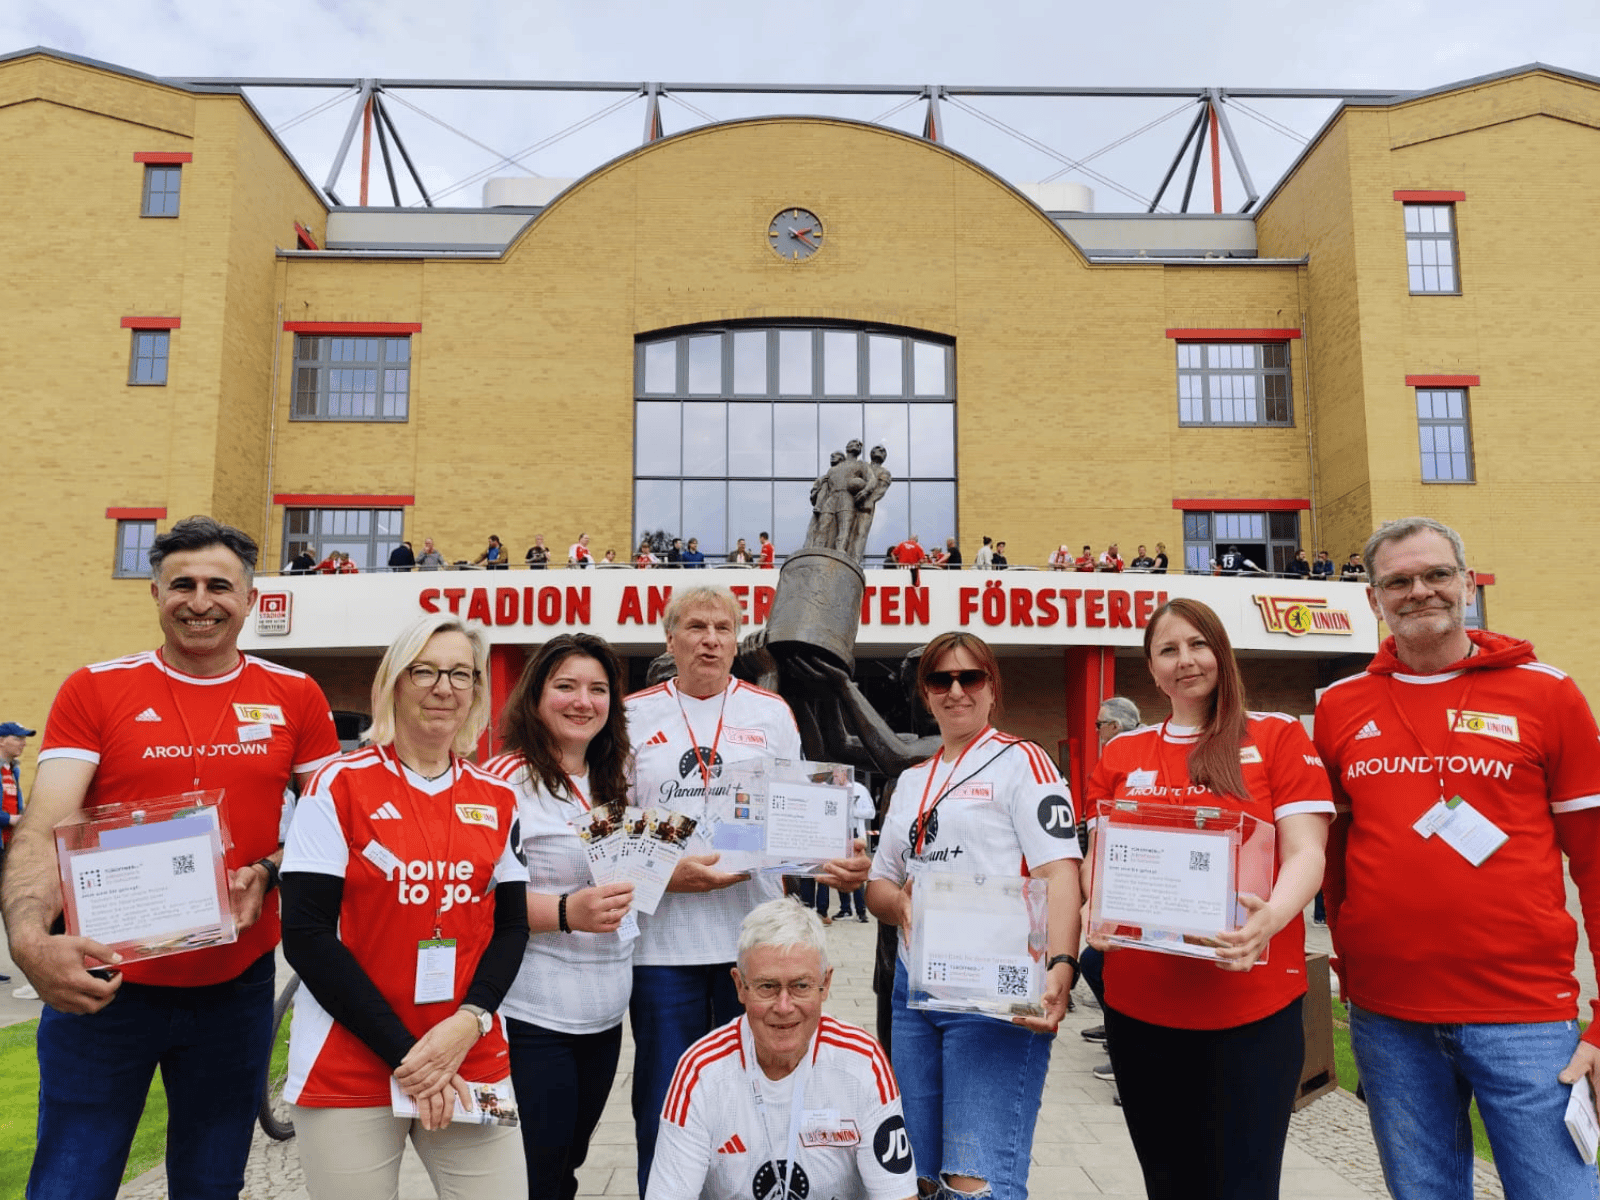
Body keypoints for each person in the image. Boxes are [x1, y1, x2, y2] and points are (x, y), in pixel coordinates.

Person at [1, 515, 342, 1200]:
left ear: (251, 599)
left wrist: (269, 871)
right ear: (156, 593)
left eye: (220, 585)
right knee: (70, 1183)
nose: (200, 601)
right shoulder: (94, 689)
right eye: (182, 584)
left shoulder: (296, 695)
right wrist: (29, 938)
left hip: (234, 990)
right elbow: (45, 824)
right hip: (102, 986)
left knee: (211, 1185)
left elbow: (332, 828)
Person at [1316, 516, 1600, 1200]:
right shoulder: (1341, 706)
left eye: (1437, 574)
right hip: (1388, 1018)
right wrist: (1350, 967)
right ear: (1373, 599)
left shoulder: (1547, 693)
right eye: (1398, 581)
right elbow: (1332, 858)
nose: (1420, 591)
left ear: (1468, 584)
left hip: (1526, 1015)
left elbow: (1595, 862)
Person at [625, 585, 871, 1195]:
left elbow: (796, 816)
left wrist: (833, 859)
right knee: (665, 1101)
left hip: (755, 946)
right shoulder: (631, 715)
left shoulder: (770, 713)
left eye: (724, 629)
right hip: (664, 950)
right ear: (670, 638)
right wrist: (668, 874)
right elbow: (613, 829)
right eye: (696, 627)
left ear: (738, 642)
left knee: (759, 1094)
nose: (710, 640)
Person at [1085, 598, 1332, 1200]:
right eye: (1168, 650)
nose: (1185, 660)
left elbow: (1307, 853)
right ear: (1152, 669)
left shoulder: (1276, 736)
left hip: (1251, 1010)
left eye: (1197, 644)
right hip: (1140, 1010)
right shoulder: (1122, 752)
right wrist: (1096, 904)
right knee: (1168, 1184)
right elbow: (1100, 857)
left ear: (1221, 651)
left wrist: (1271, 918)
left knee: (1243, 1187)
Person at [280, 611, 529, 1200]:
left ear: (476, 690)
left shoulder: (498, 796)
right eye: (425, 671)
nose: (444, 688)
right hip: (350, 1055)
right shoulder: (337, 783)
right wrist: (413, 1058)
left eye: (461, 674)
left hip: (467, 1051)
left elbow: (511, 928)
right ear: (394, 681)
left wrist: (467, 1024)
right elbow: (307, 936)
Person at [866, 631, 1082, 1200]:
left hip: (994, 989)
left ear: (992, 688)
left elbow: (1060, 871)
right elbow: (878, 885)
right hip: (916, 992)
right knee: (917, 1177)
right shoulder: (912, 781)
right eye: (941, 680)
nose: (956, 691)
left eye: (971, 677)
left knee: (973, 1181)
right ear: (926, 693)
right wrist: (901, 903)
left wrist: (1062, 963)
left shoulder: (1022, 761)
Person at [482, 634, 635, 1200]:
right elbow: (474, 896)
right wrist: (567, 911)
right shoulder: (503, 781)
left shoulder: (612, 779)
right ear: (535, 696)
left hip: (604, 1016)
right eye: (566, 686)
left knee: (568, 1165)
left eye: (598, 689)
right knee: (530, 1175)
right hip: (529, 1016)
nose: (583, 701)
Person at [647, 900, 915, 1200]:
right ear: (740, 986)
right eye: (767, 987)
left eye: (800, 986)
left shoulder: (862, 1061)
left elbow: (899, 1195)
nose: (784, 1007)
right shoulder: (700, 1071)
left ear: (825, 984)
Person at [1076, 697, 1142, 1061]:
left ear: (1114, 726)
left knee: (1097, 962)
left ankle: (1123, 1043)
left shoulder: (1127, 757)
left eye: (1099, 724)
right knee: (1097, 963)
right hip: (1121, 882)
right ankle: (1116, 1030)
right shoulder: (1117, 760)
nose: (1098, 730)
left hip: (1135, 885)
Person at [833, 777, 875, 922]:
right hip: (838, 834)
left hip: (855, 834)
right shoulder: (832, 788)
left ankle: (861, 911)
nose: (836, 776)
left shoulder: (859, 789)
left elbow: (871, 812)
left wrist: (852, 811)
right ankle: (845, 909)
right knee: (840, 872)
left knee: (856, 872)